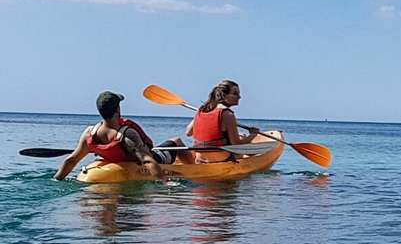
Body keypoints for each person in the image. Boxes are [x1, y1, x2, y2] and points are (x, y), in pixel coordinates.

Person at [54, 91, 185, 181]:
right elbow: (147, 160)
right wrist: (165, 182)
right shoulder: (127, 135)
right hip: (156, 158)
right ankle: (195, 166)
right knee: (176, 141)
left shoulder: (89, 134)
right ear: (117, 110)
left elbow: (71, 160)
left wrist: (57, 179)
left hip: (118, 160)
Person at [185, 80, 259, 161]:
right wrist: (252, 135)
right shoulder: (227, 114)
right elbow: (236, 144)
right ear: (224, 95)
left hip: (201, 157)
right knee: (246, 150)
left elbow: (188, 133)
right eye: (235, 93)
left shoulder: (202, 110)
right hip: (220, 157)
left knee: (240, 137)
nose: (239, 97)